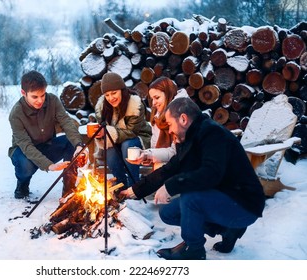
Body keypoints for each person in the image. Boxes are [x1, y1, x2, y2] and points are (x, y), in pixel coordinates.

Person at [121, 97, 266, 260]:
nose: (169, 131)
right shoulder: (189, 138)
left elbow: (210, 174)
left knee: (190, 197)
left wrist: (170, 186)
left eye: (169, 124)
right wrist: (135, 191)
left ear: (183, 119)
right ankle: (227, 230)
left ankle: (194, 249)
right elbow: (169, 169)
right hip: (223, 198)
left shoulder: (213, 134)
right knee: (168, 212)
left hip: (244, 204)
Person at [8, 70, 87, 199]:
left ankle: (69, 188)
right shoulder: (16, 114)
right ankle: (22, 184)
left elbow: (66, 122)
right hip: (23, 151)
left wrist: (79, 145)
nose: (40, 100)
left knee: (70, 142)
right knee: (26, 166)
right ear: (24, 93)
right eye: (35, 97)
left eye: (43, 95)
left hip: (48, 145)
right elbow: (26, 146)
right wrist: (49, 165)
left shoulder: (52, 101)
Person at [94, 72, 151, 187]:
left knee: (127, 146)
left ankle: (134, 186)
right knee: (110, 151)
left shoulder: (134, 104)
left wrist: (109, 133)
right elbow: (105, 132)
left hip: (138, 138)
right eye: (107, 95)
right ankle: (121, 186)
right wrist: (100, 135)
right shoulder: (102, 107)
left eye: (114, 93)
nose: (111, 98)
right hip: (117, 142)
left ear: (122, 90)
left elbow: (133, 131)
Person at [128, 76, 188, 171]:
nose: (153, 103)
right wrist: (147, 156)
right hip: (166, 162)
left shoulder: (181, 114)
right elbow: (155, 146)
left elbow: (175, 152)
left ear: (168, 94)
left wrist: (149, 154)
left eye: (157, 98)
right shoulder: (158, 117)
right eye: (152, 99)